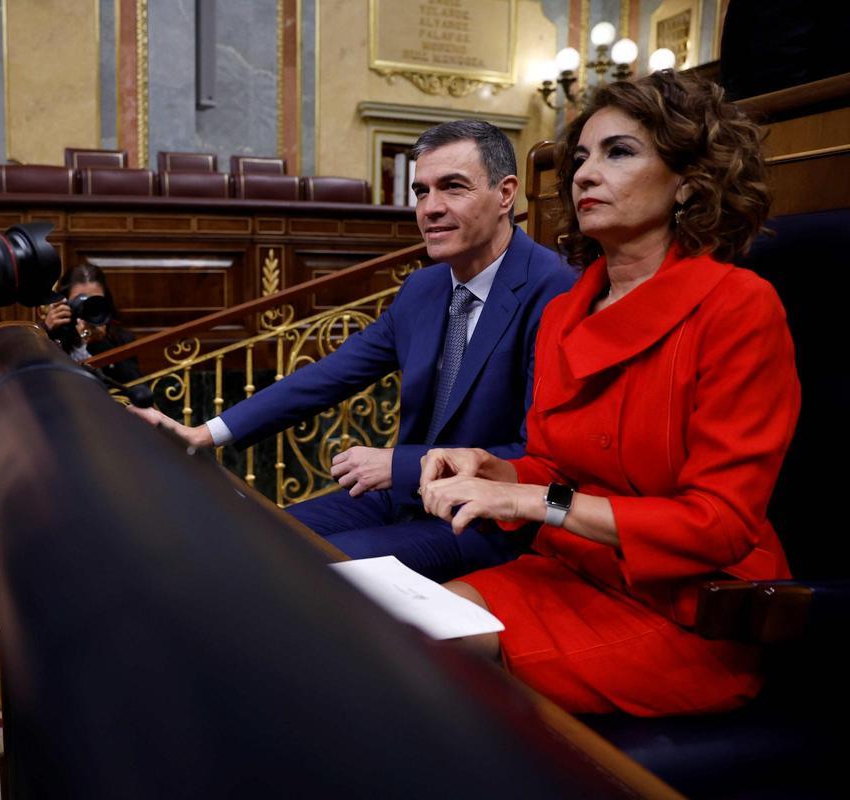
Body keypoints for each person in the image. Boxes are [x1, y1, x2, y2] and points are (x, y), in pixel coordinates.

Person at [418, 70, 799, 716]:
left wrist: (530, 497)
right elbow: (557, 468)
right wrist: (494, 466)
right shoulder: (568, 309)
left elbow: (720, 524)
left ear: (689, 179)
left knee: (427, 668)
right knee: (395, 634)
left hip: (693, 612)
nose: (585, 174)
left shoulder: (739, 306)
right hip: (568, 572)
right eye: (582, 157)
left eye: (619, 152)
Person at [131, 120, 575, 581]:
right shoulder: (423, 288)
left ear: (506, 195)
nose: (430, 208)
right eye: (421, 192)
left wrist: (401, 465)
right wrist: (204, 433)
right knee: (252, 538)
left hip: (488, 520)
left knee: (303, 572)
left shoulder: (556, 289)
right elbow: (328, 376)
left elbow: (538, 455)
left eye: (453, 187)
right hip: (407, 497)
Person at [42, 264, 141, 385]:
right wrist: (45, 330)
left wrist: (101, 345)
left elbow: (136, 384)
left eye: (95, 300)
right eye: (80, 300)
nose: (88, 306)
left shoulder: (121, 338)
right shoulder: (56, 334)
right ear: (65, 301)